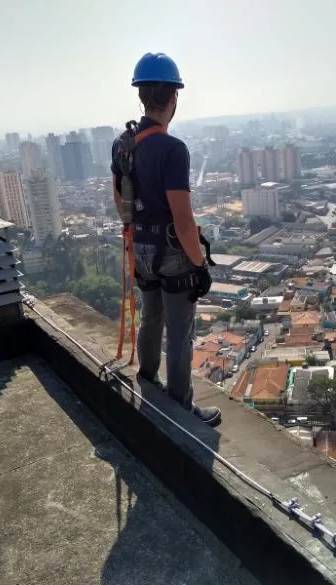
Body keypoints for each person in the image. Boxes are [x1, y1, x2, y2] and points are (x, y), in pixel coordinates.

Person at [111, 52, 221, 427]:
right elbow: (184, 221)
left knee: (151, 317)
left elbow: (119, 200)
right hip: (173, 252)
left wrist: (138, 233)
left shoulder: (122, 144)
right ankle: (181, 408)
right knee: (179, 332)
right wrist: (200, 266)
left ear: (141, 95)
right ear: (174, 96)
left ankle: (147, 379)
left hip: (140, 248)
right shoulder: (173, 150)